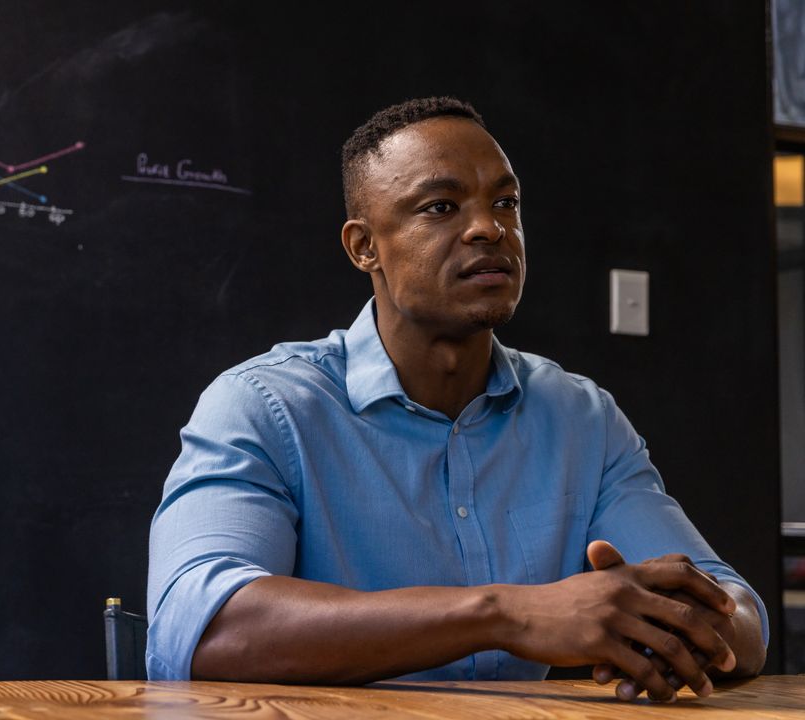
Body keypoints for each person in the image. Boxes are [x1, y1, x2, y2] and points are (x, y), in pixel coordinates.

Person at [146, 97, 768, 701]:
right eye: (441, 206)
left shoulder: (582, 418)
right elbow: (201, 627)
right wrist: (507, 614)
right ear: (364, 246)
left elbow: (735, 612)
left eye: (505, 203)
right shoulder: (263, 405)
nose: (489, 228)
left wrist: (672, 630)